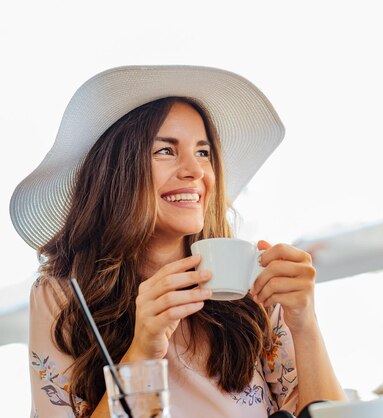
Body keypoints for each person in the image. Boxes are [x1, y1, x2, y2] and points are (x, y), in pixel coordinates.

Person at [11, 65, 345, 418]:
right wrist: (142, 350)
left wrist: (304, 322)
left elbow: (328, 413)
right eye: (165, 151)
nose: (195, 171)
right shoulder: (63, 296)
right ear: (116, 172)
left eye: (203, 153)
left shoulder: (253, 285)